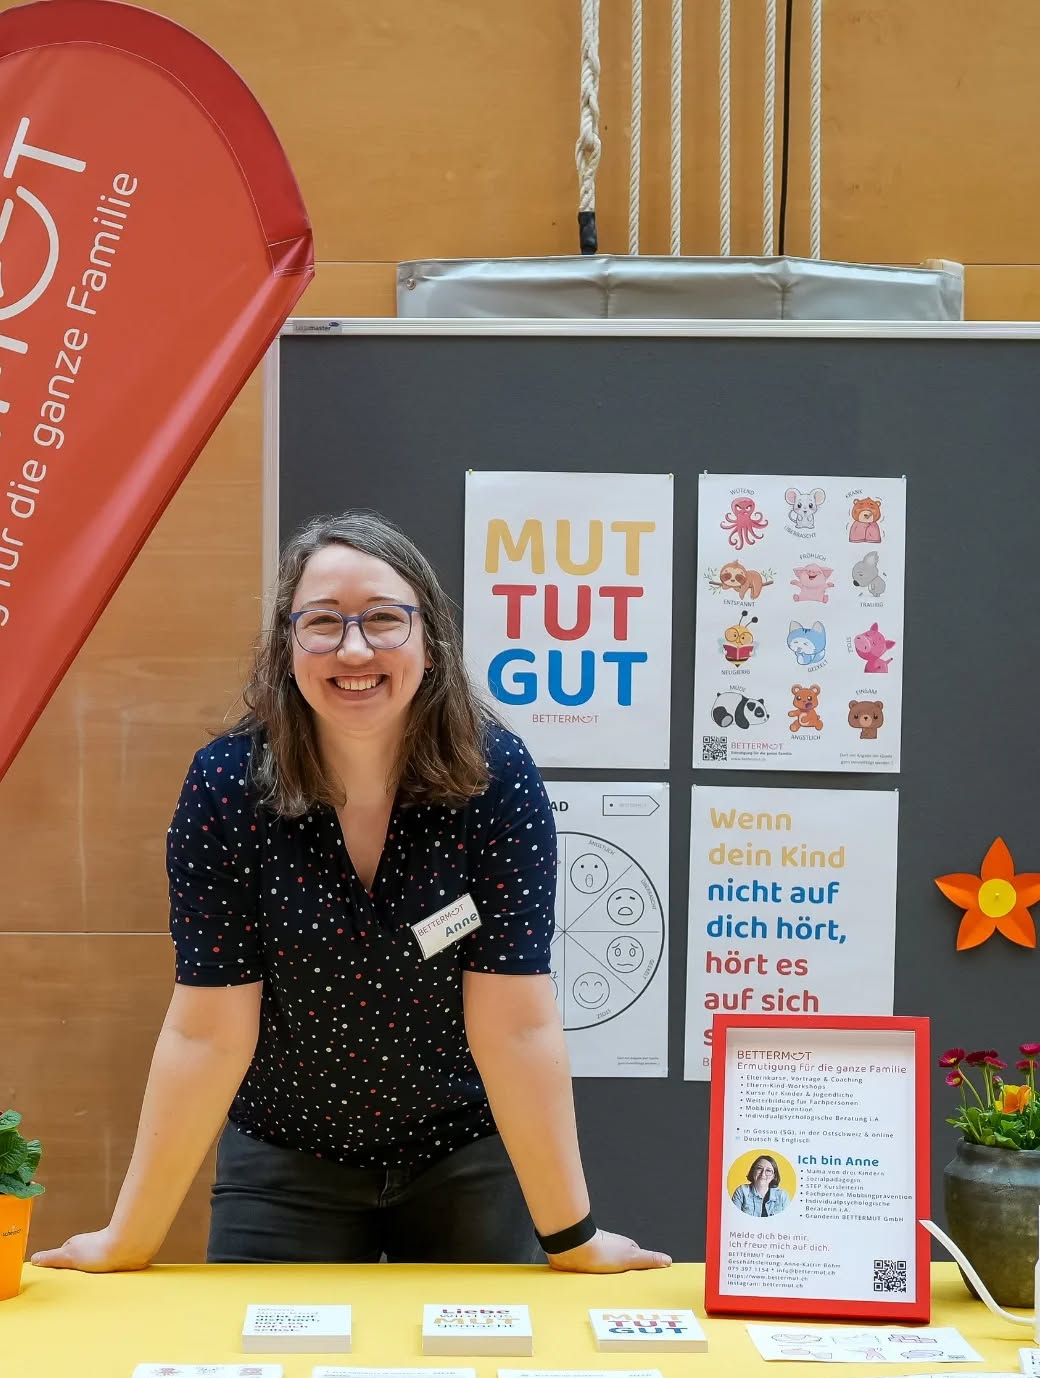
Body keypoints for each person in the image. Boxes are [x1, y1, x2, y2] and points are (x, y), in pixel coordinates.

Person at [33, 511, 669, 1273]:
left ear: (429, 642)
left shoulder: (496, 781)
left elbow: (518, 1026)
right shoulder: (226, 787)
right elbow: (207, 1031)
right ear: (287, 647)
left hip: (462, 1155)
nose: (355, 648)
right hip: (285, 1159)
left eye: (383, 621)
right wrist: (127, 1238)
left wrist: (573, 1240)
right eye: (324, 623)